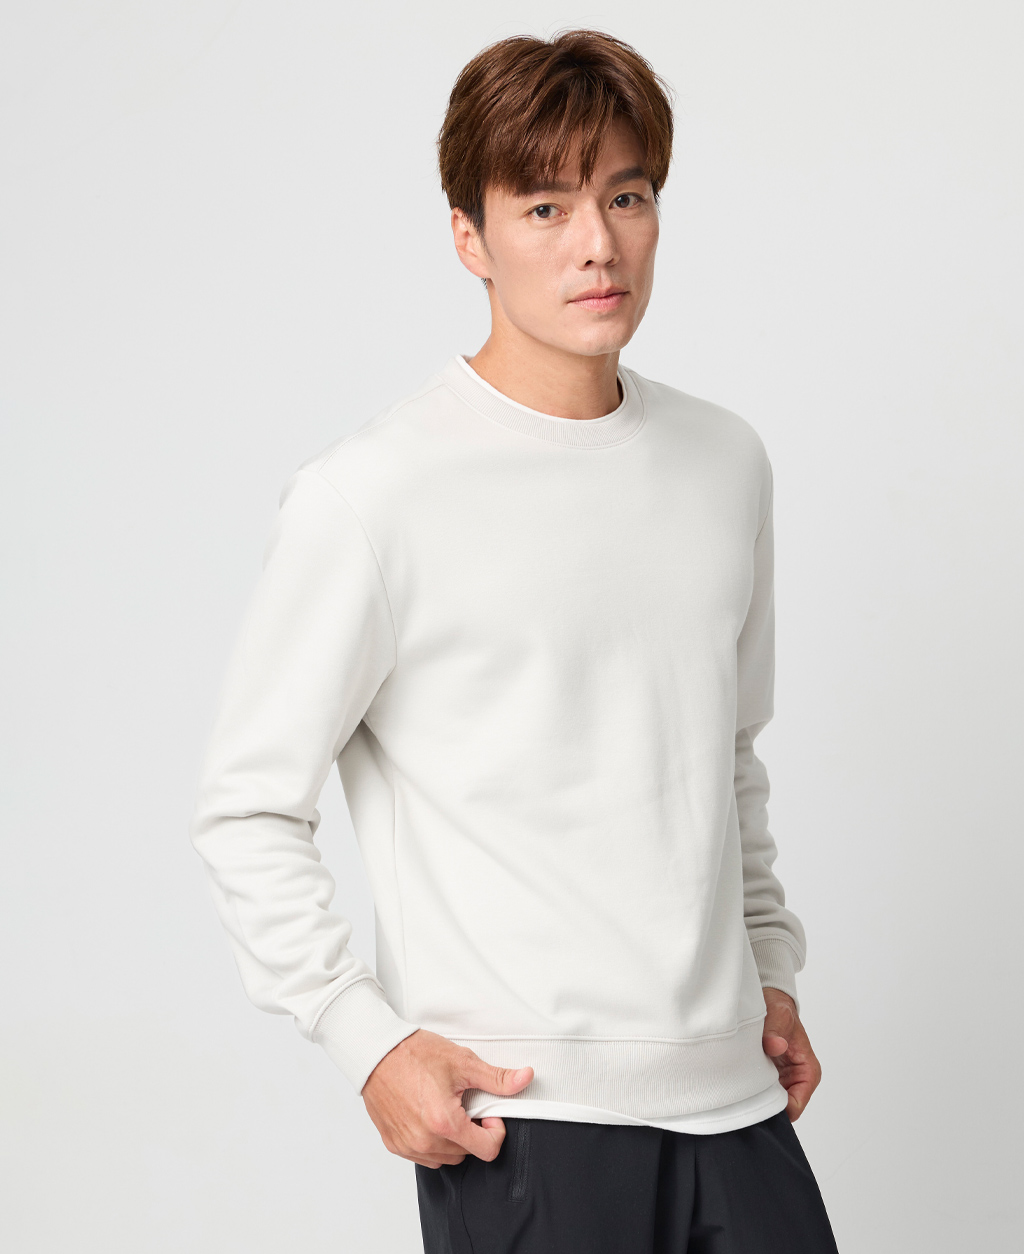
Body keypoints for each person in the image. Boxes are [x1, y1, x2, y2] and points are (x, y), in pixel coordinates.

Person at [190, 28, 838, 1254]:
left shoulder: (724, 463)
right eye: (545, 207)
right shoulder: (372, 494)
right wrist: (365, 1038)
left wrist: (770, 970)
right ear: (468, 237)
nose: (598, 244)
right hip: (531, 1115)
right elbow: (246, 807)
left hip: (736, 1098)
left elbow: (726, 755)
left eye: (626, 197)